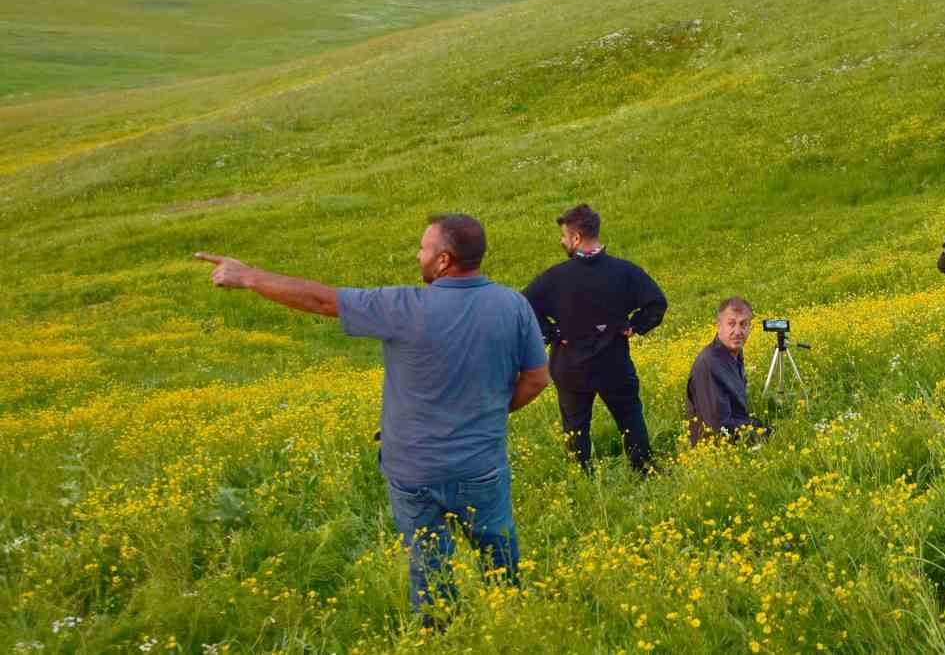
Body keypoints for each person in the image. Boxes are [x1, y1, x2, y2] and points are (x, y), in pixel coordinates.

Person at [196, 213, 549, 616]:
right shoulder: (513, 304)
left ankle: (439, 633)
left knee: (429, 570)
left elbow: (321, 300)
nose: (417, 254)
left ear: (444, 261)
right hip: (481, 467)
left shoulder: (402, 306)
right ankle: (514, 619)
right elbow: (537, 378)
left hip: (414, 470)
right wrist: (485, 414)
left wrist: (247, 276)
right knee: (500, 559)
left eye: (423, 248)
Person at [522, 203, 667, 472]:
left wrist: (550, 333)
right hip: (614, 362)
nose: (562, 241)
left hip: (571, 368)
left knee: (576, 430)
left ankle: (582, 479)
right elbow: (657, 303)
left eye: (564, 236)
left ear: (576, 238)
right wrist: (634, 326)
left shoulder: (555, 278)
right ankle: (644, 469)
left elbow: (522, 306)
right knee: (630, 419)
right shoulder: (625, 272)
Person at [686, 297, 772, 446]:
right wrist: (762, 434)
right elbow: (717, 425)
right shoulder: (709, 364)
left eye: (743, 324)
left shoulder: (734, 353)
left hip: (736, 433)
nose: (738, 331)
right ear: (718, 326)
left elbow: (736, 413)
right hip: (717, 449)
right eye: (731, 324)